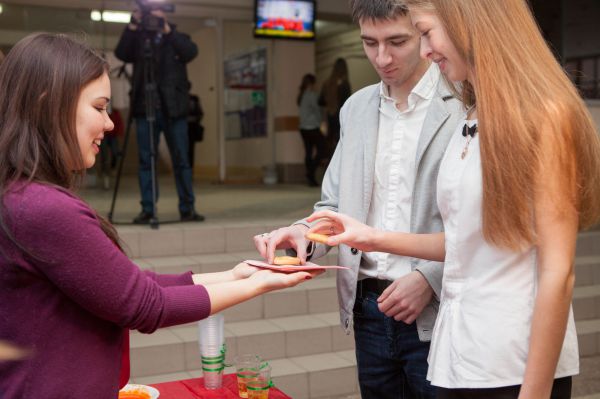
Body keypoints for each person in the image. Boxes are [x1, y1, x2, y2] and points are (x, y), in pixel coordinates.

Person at [306, 0, 600, 398]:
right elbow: (466, 241)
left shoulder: (545, 117)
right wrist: (367, 236)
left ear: (469, 24)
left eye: (425, 33)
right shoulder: (473, 115)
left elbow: (557, 273)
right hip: (458, 353)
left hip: (511, 358)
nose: (426, 50)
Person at [0, 33, 319, 398]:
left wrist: (234, 274)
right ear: (48, 104)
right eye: (99, 107)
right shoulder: (42, 206)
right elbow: (145, 305)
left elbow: (127, 285)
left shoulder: (22, 196)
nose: (109, 124)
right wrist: (260, 283)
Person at [254, 1, 463, 397]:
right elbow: (333, 204)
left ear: (423, 32)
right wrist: (302, 233)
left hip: (436, 308)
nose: (381, 58)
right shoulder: (356, 108)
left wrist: (430, 280)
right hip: (368, 308)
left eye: (397, 41)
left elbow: (481, 222)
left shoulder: (461, 106)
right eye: (369, 43)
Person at [115, 8, 203, 224]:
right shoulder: (137, 38)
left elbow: (190, 52)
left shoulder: (177, 37)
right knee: (146, 160)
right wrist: (132, 25)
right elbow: (121, 53)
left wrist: (167, 31)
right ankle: (147, 209)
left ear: (166, 14)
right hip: (145, 107)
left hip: (175, 109)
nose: (153, 15)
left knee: (181, 160)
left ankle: (187, 208)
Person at [297, 73, 327, 187]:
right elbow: (317, 110)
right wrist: (321, 122)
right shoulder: (311, 95)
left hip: (303, 128)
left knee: (308, 152)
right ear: (311, 83)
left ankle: (310, 177)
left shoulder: (301, 95)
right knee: (323, 149)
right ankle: (310, 174)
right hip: (312, 127)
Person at [319, 57, 351, 155]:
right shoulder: (345, 84)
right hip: (340, 116)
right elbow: (347, 102)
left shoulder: (327, 83)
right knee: (340, 143)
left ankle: (329, 166)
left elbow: (320, 101)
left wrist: (329, 103)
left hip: (329, 115)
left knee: (330, 141)